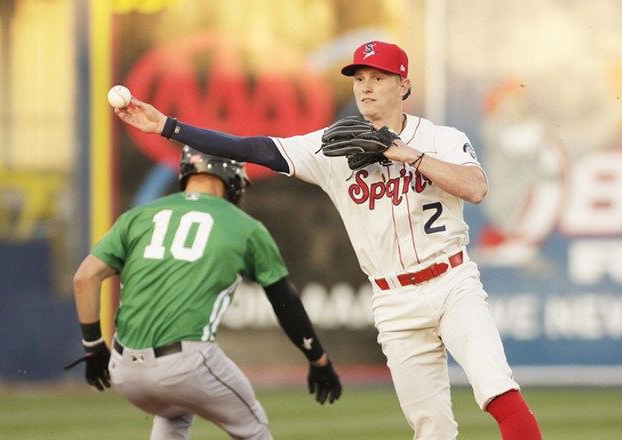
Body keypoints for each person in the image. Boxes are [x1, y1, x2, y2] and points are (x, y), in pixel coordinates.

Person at [114, 40, 542, 439]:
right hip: (392, 299)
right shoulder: (330, 146)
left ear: (404, 84)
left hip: (452, 283)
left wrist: (404, 153)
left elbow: (475, 187)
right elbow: (252, 148)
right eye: (359, 79)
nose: (366, 87)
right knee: (429, 425)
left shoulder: (441, 139)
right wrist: (167, 126)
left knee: (496, 389)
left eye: (378, 77)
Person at [66, 147, 342, 440]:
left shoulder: (138, 216)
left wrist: (94, 348)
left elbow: (85, 277)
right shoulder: (244, 227)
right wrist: (318, 360)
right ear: (230, 175)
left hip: (123, 370)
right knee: (254, 428)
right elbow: (285, 302)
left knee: (175, 413)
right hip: (184, 364)